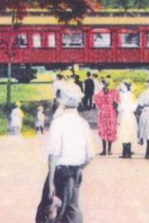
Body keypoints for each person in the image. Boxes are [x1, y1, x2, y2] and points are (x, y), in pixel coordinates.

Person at [35, 82, 94, 223]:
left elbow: (53, 155)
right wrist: (78, 168)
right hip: (76, 173)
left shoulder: (58, 123)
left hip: (60, 174)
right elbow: (90, 156)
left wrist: (51, 182)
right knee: (72, 210)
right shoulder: (83, 123)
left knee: (51, 213)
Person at [93, 76, 118, 155]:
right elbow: (116, 104)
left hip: (103, 112)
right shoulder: (113, 93)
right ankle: (109, 150)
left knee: (103, 130)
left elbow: (97, 102)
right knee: (110, 130)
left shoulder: (100, 93)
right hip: (111, 112)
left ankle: (104, 150)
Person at [116, 80, 138, 158]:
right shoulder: (133, 95)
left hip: (124, 115)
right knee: (130, 133)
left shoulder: (122, 95)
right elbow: (135, 106)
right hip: (131, 115)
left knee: (124, 133)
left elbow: (119, 107)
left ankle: (125, 152)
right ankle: (129, 151)